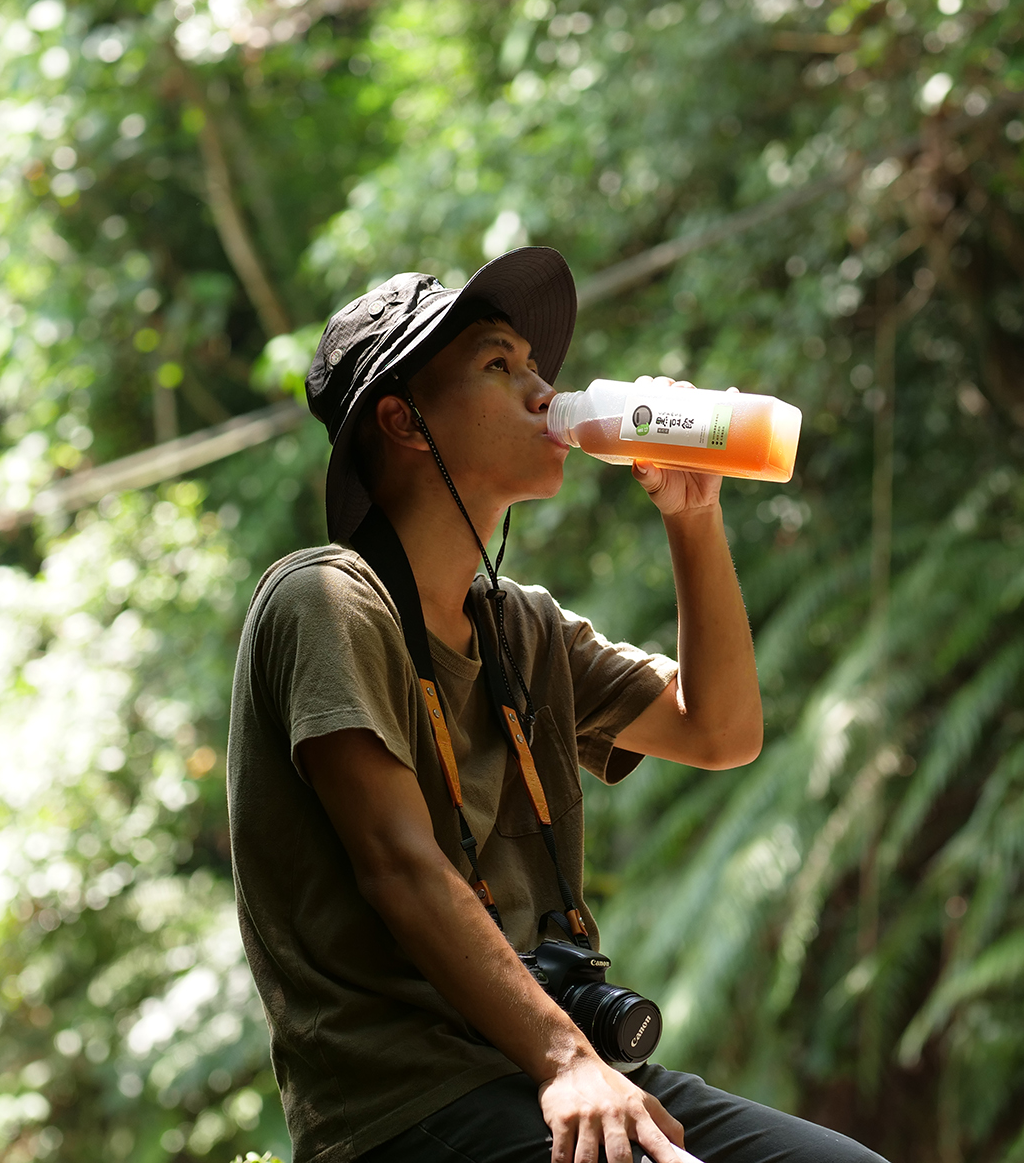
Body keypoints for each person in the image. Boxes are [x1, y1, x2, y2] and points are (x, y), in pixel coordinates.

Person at [227, 247, 887, 1163]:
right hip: (413, 1108)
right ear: (403, 420)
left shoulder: (520, 629)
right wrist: (568, 1060)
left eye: (539, 367)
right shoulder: (323, 599)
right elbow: (399, 864)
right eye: (499, 365)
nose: (544, 392)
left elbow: (721, 731)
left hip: (549, 1064)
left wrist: (692, 515)